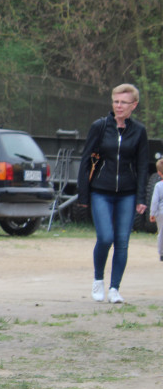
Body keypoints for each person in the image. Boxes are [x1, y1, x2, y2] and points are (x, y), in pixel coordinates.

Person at [77, 83, 149, 304]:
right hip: (101, 191)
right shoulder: (99, 127)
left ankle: (115, 288)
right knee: (106, 237)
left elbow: (142, 166)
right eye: (116, 101)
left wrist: (141, 198)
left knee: (122, 241)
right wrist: (83, 195)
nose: (119, 106)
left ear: (133, 105)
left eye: (123, 102)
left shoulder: (139, 131)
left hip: (127, 193)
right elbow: (86, 161)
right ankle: (98, 280)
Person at [150, 159, 163, 262]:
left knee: (161, 233)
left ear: (159, 172)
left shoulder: (158, 185)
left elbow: (155, 201)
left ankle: (162, 253)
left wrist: (152, 213)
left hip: (161, 213)